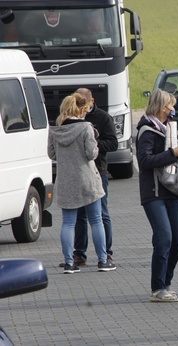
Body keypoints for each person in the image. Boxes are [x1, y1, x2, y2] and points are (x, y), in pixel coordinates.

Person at [136, 89, 178, 302]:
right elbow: (144, 161)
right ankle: (157, 288)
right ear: (162, 107)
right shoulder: (147, 131)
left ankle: (167, 282)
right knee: (164, 239)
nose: (173, 109)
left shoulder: (168, 130)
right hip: (154, 193)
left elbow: (171, 152)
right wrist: (173, 153)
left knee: (177, 241)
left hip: (172, 190)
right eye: (171, 105)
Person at [48, 93, 116, 274]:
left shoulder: (56, 130)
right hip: (87, 180)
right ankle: (103, 260)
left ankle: (69, 263)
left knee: (68, 223)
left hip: (66, 181)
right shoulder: (86, 128)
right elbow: (91, 154)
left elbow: (51, 155)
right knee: (96, 220)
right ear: (80, 109)